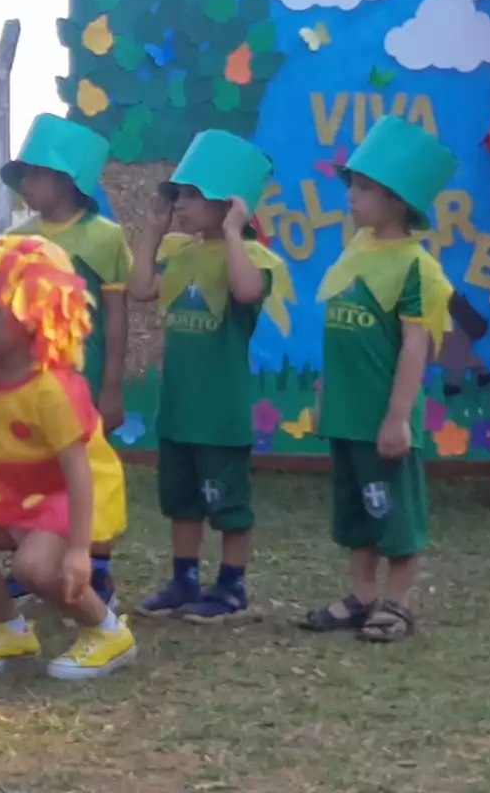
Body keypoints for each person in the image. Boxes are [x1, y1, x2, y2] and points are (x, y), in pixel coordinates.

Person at [0, 235, 134, 679]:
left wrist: (80, 550)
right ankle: (11, 631)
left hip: (69, 488)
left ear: (35, 314)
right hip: (18, 487)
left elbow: (79, 473)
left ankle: (106, 632)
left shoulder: (53, 389)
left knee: (36, 568)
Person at [127, 130, 294, 623]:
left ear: (230, 203)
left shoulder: (253, 258)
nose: (180, 205)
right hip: (179, 406)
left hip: (220, 411)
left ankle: (231, 585)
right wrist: (153, 234)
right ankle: (184, 579)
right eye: (178, 194)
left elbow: (245, 293)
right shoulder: (181, 254)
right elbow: (139, 289)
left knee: (229, 505)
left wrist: (234, 233)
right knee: (182, 502)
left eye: (194, 195)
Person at [302, 116, 456, 642]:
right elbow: (336, 338)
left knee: (394, 511)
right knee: (355, 511)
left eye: (364, 186)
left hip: (382, 418)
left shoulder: (417, 267)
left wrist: (397, 417)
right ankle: (362, 595)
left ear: (398, 200)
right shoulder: (355, 252)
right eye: (352, 183)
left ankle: (398, 601)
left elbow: (416, 345)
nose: (352, 194)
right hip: (345, 414)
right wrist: (324, 396)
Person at [1, 114, 130, 608]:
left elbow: (116, 316)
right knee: (32, 466)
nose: (27, 186)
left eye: (35, 174)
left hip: (85, 378)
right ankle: (32, 561)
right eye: (25, 176)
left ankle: (96, 570)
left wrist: (112, 385)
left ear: (68, 179)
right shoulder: (21, 237)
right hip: (30, 381)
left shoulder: (104, 237)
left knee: (88, 470)